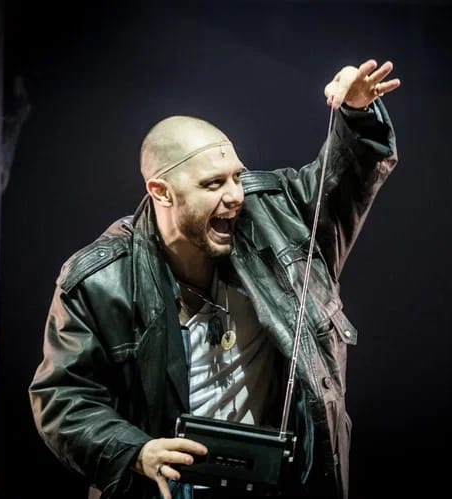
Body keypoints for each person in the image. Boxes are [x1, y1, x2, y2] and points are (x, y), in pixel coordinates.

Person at [28, 58, 400, 499]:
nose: (235, 195)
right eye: (213, 184)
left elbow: (346, 176)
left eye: (237, 177)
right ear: (161, 192)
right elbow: (64, 398)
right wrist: (135, 453)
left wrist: (356, 112)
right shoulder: (100, 281)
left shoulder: (277, 220)